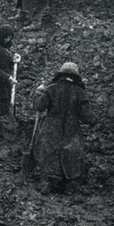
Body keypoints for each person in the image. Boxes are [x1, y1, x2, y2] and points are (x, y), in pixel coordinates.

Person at [33, 62, 95, 192]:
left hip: (51, 126)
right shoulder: (80, 92)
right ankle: (70, 183)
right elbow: (87, 117)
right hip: (71, 127)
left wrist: (39, 93)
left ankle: (49, 181)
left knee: (49, 149)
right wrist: (94, 120)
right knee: (71, 150)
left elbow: (39, 106)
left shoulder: (51, 88)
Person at [0, 25, 20, 120]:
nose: (7, 40)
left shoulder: (9, 45)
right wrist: (7, 77)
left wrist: (14, 58)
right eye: (6, 37)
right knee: (0, 102)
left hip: (7, 81)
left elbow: (9, 57)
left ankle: (8, 122)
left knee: (8, 101)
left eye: (10, 37)